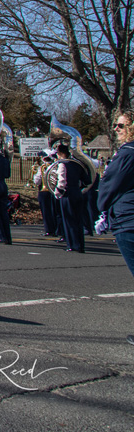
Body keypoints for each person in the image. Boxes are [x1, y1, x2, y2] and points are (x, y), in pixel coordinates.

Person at [97, 108, 134, 345]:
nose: (116, 129)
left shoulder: (128, 152)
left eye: (121, 125)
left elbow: (111, 183)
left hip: (128, 219)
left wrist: (102, 206)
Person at [52, 141, 88, 253]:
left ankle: (73, 244)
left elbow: (62, 181)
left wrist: (57, 193)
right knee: (78, 220)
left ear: (61, 153)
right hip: (77, 192)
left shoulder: (63, 164)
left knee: (69, 220)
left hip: (67, 194)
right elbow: (85, 180)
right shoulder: (77, 163)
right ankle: (80, 244)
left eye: (57, 154)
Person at [33, 151, 61, 238]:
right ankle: (57, 229)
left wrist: (38, 173)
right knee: (55, 211)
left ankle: (49, 229)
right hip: (54, 191)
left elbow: (37, 181)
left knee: (47, 212)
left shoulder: (43, 168)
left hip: (44, 191)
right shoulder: (57, 166)